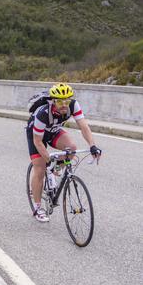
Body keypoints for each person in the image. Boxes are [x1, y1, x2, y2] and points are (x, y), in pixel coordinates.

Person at [26, 83, 102, 222]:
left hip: (54, 131)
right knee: (40, 167)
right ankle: (37, 208)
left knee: (71, 148)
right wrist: (48, 160)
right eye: (60, 101)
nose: (64, 105)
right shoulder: (43, 113)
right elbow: (38, 141)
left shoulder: (73, 105)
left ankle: (54, 170)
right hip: (36, 136)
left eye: (66, 101)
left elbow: (84, 126)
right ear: (53, 101)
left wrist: (93, 146)